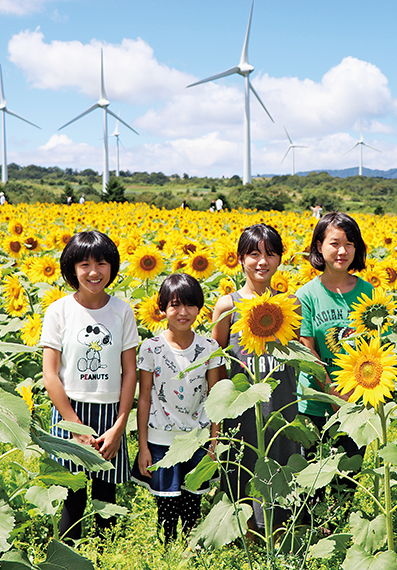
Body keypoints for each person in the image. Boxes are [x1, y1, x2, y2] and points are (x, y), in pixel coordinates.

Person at [40, 230, 139, 540]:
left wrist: (120, 425)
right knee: (72, 494)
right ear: (71, 268)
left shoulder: (122, 311)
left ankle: (103, 554)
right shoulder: (59, 311)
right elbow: (50, 375)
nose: (94, 272)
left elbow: (129, 373)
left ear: (113, 268)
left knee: (105, 495)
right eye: (84, 264)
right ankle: (68, 554)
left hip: (111, 412)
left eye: (102, 263)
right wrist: (75, 427)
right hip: (70, 412)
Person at [212, 223, 301, 532]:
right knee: (245, 459)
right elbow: (218, 359)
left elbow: (294, 355)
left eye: (271, 254)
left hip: (281, 399)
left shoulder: (290, 305)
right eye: (254, 254)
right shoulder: (227, 305)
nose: (262, 262)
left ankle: (281, 528)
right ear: (240, 259)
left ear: (280, 260)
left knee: (280, 457)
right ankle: (246, 532)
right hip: (241, 402)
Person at [131, 274, 222, 542]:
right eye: (175, 305)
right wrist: (143, 446)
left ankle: (190, 549)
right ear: (162, 309)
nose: (183, 312)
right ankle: (169, 550)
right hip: (161, 439)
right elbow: (144, 397)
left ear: (200, 307)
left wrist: (214, 444)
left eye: (190, 305)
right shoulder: (151, 348)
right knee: (167, 504)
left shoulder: (209, 347)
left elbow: (216, 397)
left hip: (197, 438)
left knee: (193, 503)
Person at [296, 212, 372, 459]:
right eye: (335, 243)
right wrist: (334, 395)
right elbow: (307, 350)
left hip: (358, 400)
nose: (343, 251)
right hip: (315, 402)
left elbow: (378, 345)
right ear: (319, 246)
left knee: (348, 481)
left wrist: (353, 398)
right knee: (312, 483)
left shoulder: (368, 291)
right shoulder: (307, 295)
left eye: (350, 244)